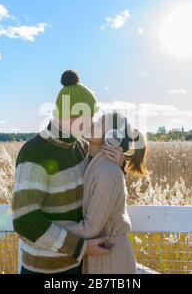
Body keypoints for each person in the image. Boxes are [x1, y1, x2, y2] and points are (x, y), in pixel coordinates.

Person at [11, 70, 124, 274]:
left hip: (77, 266)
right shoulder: (34, 152)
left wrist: (119, 164)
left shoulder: (80, 147)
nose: (92, 124)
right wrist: (82, 248)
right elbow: (25, 220)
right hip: (42, 269)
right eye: (89, 117)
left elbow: (99, 185)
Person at [62, 112, 148, 274]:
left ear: (112, 138)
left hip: (110, 261)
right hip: (101, 256)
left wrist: (43, 231)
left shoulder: (107, 171)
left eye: (100, 124)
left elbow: (90, 229)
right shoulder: (90, 159)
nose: (92, 123)